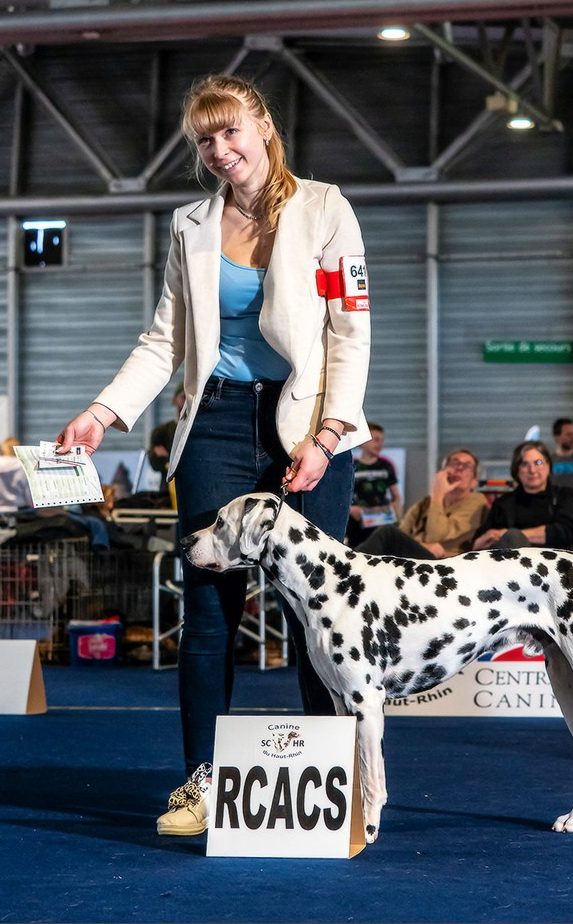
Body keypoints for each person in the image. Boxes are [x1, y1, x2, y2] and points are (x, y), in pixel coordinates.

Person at [54, 73, 371, 836]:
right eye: (205, 139)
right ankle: (201, 782)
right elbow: (165, 339)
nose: (220, 150)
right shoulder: (190, 224)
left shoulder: (326, 211)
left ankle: (332, 782)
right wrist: (103, 412)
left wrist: (328, 438)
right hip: (217, 427)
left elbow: (348, 334)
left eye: (231, 131)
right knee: (206, 614)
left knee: (316, 618)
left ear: (263, 125)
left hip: (308, 429)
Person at [357, 449, 488, 559]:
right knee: (386, 535)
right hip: (416, 560)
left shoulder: (476, 501)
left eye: (467, 466)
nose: (459, 468)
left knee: (387, 533)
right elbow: (402, 536)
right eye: (454, 463)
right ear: (442, 471)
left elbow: (436, 536)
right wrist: (422, 545)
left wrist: (438, 493)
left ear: (474, 481)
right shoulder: (424, 504)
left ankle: (350, 568)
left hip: (446, 565)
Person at [472, 440, 573, 551]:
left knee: (513, 537)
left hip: (557, 562)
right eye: (525, 464)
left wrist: (511, 535)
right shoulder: (503, 503)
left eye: (538, 463)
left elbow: (566, 531)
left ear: (548, 466)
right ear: (516, 470)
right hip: (513, 564)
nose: (532, 470)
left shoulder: (564, 496)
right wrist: (486, 538)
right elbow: (478, 541)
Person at [346, 422, 402, 547]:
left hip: (381, 522)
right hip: (357, 522)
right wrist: (350, 509)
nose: (380, 444)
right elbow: (342, 495)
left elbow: (396, 496)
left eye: (382, 440)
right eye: (376, 440)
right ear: (363, 441)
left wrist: (394, 510)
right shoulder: (352, 466)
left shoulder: (386, 466)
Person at [148, 382, 186, 488]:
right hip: (167, 492)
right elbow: (156, 464)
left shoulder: (200, 430)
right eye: (183, 397)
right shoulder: (161, 432)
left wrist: (168, 458)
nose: (186, 401)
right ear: (174, 400)